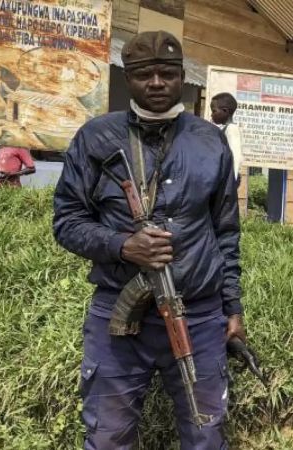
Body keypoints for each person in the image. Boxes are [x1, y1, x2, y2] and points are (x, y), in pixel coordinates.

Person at [52, 31, 243, 449]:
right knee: (107, 436)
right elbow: (66, 220)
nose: (156, 83)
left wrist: (233, 308)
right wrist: (122, 245)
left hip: (199, 314)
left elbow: (226, 232)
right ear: (129, 78)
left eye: (167, 74)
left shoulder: (211, 142)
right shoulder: (97, 137)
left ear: (182, 77)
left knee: (206, 434)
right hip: (117, 315)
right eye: (143, 75)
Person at [209, 92, 243, 182]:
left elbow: (235, 157)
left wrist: (231, 182)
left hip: (227, 182)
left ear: (225, 111)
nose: (211, 115)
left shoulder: (232, 129)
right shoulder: (225, 129)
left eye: (214, 111)